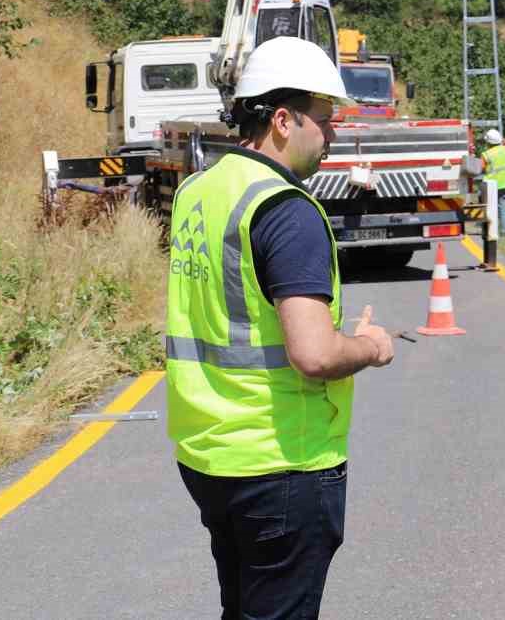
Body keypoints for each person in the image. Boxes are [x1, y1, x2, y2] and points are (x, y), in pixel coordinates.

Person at [165, 36, 395, 620]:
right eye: (325, 121)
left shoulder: (197, 191)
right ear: (284, 120)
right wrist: (367, 347)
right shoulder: (286, 210)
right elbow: (315, 354)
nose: (334, 135)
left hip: (209, 454)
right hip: (281, 462)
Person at [481, 127, 505, 238]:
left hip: (490, 185)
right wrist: (502, 139)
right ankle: (504, 233)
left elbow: (481, 168)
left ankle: (489, 230)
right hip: (504, 184)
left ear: (488, 142)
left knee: (487, 208)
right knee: (503, 209)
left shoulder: (486, 154)